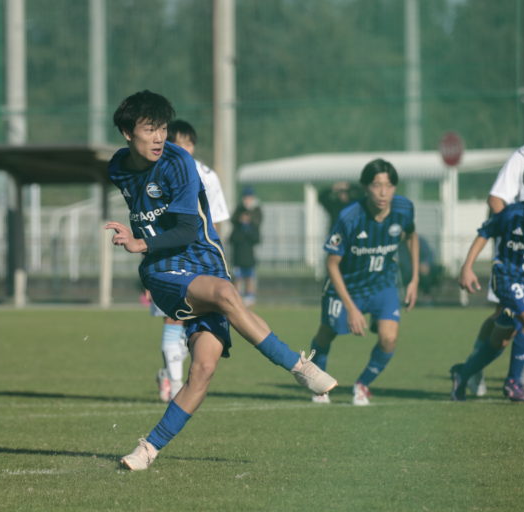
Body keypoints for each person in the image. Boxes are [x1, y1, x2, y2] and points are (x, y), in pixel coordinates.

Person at [104, 90, 337, 471]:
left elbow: (186, 229)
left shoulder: (178, 162)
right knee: (228, 293)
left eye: (163, 128)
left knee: (203, 370)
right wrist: (141, 241)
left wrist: (140, 239)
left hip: (204, 260)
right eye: (150, 129)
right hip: (163, 269)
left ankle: (147, 450)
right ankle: (298, 367)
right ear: (128, 133)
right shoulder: (117, 167)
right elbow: (146, 212)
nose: (160, 137)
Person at [307, 158, 419, 406]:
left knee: (389, 339)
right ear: (366, 187)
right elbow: (331, 264)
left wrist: (414, 279)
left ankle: (362, 385)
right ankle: (317, 382)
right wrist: (351, 308)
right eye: (376, 185)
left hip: (382, 284)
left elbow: (412, 236)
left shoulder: (404, 209)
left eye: (389, 186)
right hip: (346, 287)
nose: (383, 192)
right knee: (326, 334)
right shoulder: (350, 217)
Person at [463, 100, 524, 399]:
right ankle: (474, 368)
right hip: (516, 257)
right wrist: (515, 230)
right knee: (505, 319)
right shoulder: (523, 158)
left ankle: (522, 381)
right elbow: (497, 199)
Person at [150, 119, 232, 403]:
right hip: (168, 259)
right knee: (172, 318)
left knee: (197, 323)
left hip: (201, 260)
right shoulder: (156, 173)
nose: (184, 148)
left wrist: (215, 261)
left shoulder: (207, 176)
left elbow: (216, 222)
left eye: (189, 143)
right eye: (178, 143)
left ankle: (169, 374)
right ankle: (174, 384)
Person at [230, 186, 262, 306]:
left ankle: (250, 297)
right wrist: (241, 219)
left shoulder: (256, 210)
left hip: (249, 252)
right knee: (237, 277)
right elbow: (233, 221)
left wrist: (249, 220)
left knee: (249, 276)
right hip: (238, 252)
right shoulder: (239, 209)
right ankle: (237, 297)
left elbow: (257, 224)